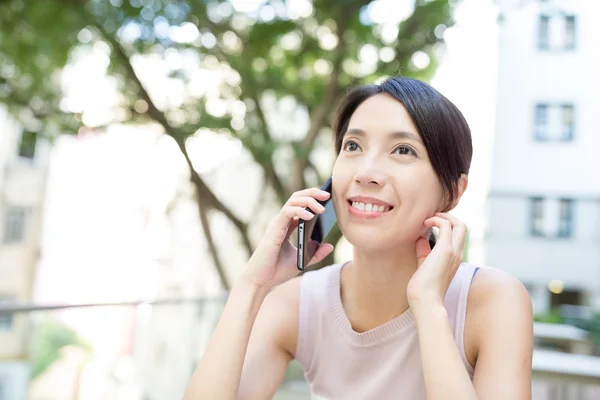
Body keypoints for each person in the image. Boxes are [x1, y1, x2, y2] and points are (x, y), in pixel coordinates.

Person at [183, 77, 533, 400]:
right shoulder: (298, 304)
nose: (366, 173)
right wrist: (251, 286)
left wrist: (428, 305)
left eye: (403, 150)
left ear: (453, 192)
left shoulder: (494, 301)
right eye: (353, 145)